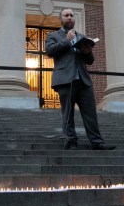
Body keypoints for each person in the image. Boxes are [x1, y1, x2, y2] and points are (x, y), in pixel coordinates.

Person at [44, 8, 114, 150]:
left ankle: (97, 142)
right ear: (61, 19)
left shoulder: (82, 37)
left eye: (71, 15)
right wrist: (67, 40)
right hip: (65, 80)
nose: (69, 17)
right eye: (66, 15)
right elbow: (50, 51)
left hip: (83, 80)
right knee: (68, 112)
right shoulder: (53, 35)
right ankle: (71, 141)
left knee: (90, 113)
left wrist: (88, 52)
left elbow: (90, 61)